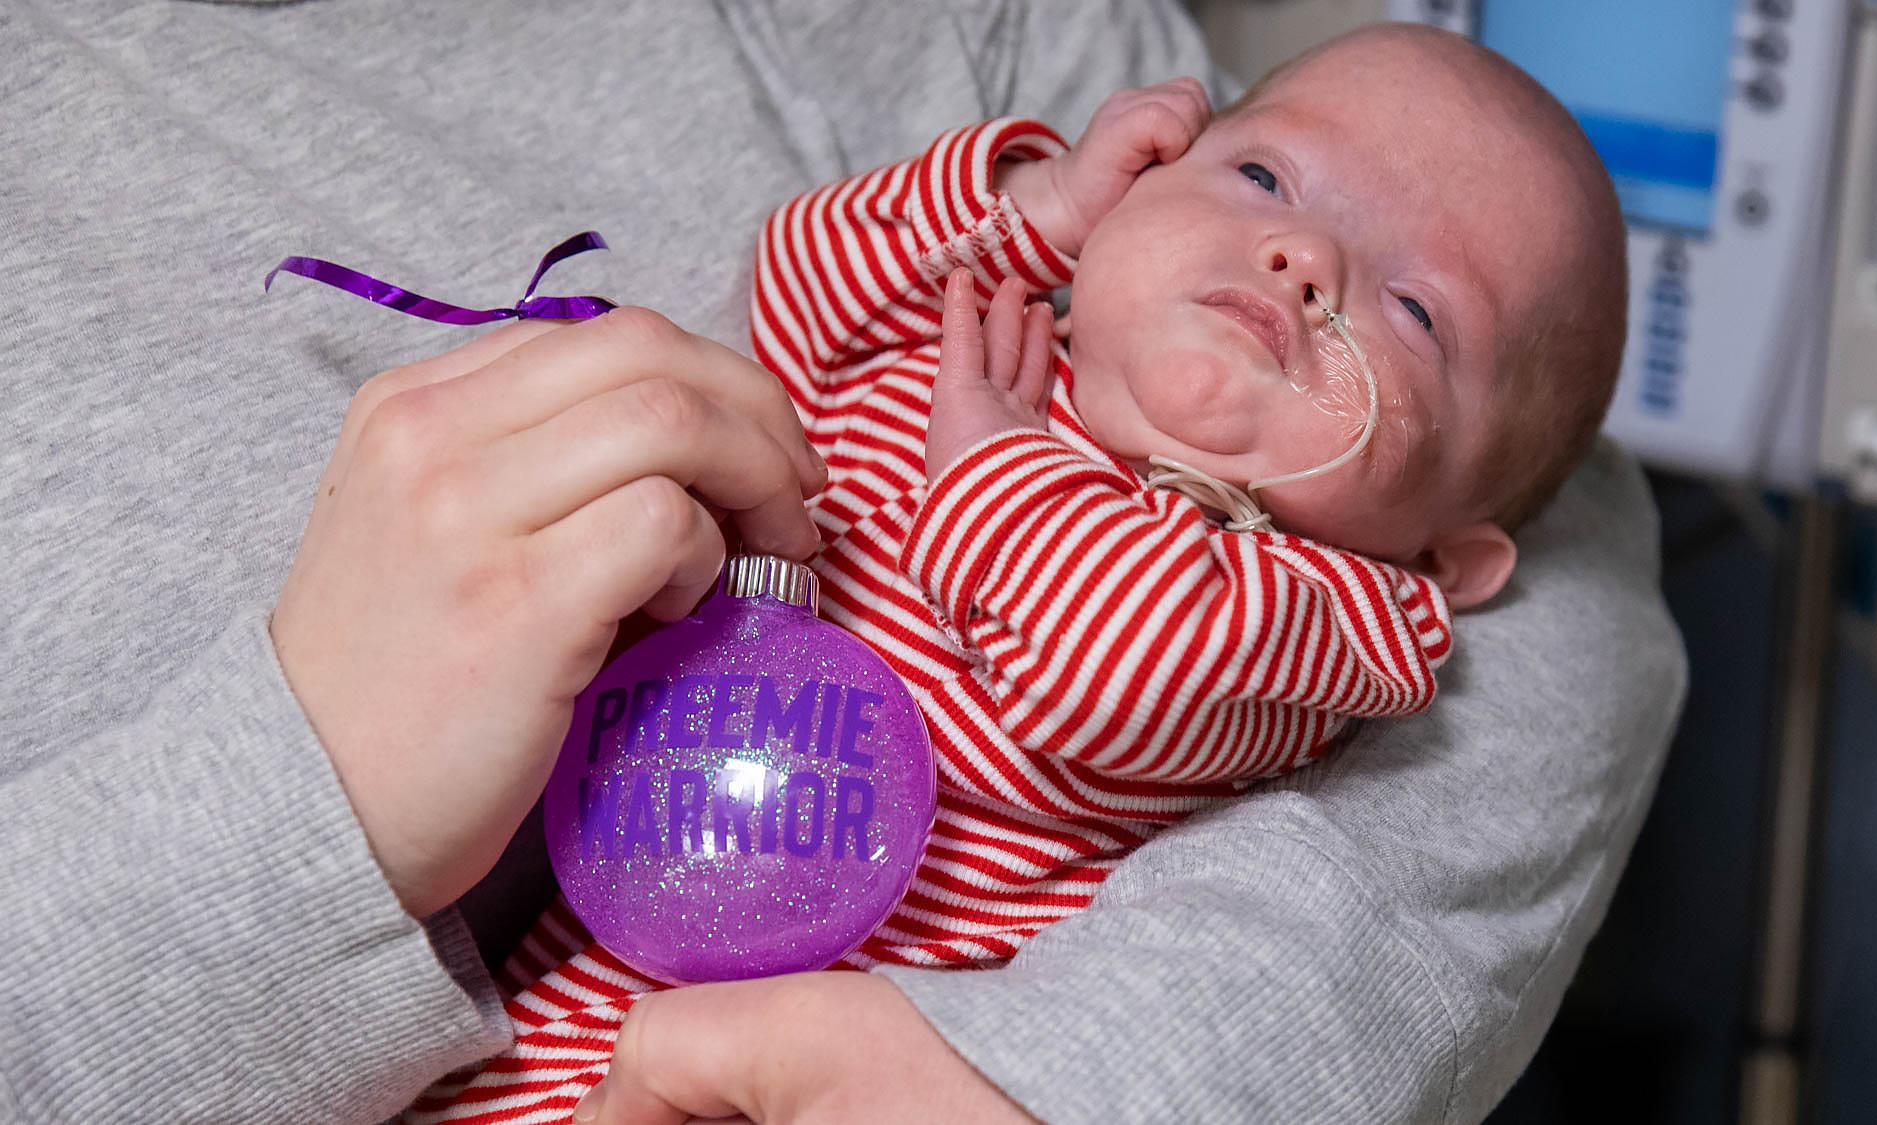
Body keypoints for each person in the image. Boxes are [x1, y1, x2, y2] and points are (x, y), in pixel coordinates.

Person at [0, 2, 1685, 1123]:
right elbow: (794, 303)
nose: (1307, 251)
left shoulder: (1320, 603)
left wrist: (989, 466)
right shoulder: (1018, 323)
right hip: (566, 972)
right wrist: (1024, 212)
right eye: (1258, 175)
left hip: (839, 1022)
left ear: (1460, 560)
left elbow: (1125, 668)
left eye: (1412, 310)